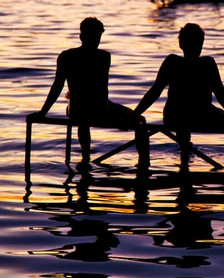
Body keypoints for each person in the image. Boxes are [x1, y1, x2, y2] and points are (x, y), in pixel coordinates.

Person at [131, 23, 224, 165]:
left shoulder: (171, 62)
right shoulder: (207, 64)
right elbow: (222, 97)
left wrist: (134, 114)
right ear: (201, 44)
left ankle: (183, 157)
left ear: (181, 44)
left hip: (173, 117)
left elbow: (154, 93)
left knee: (181, 115)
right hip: (201, 116)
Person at [29, 17, 149, 167]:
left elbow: (59, 86)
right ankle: (143, 164)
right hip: (96, 108)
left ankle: (85, 156)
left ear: (81, 36)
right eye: (96, 37)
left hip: (81, 109)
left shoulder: (67, 56)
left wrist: (43, 112)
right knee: (139, 120)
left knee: (84, 116)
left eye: (98, 37)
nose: (96, 41)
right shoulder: (103, 57)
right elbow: (95, 89)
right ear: (83, 37)